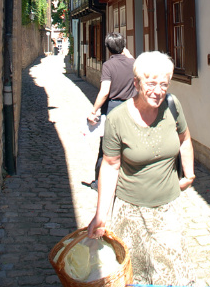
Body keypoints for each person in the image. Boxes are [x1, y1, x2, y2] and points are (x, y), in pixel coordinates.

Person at [87, 51, 198, 286]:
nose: (158, 91)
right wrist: (101, 215)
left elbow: (185, 139)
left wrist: (189, 174)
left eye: (164, 84)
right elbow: (110, 165)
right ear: (136, 84)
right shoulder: (118, 118)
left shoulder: (172, 106)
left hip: (168, 211)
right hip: (131, 213)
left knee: (172, 276)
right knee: (135, 277)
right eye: (151, 84)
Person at [87, 32, 136, 187]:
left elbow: (104, 91)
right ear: (124, 46)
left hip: (112, 109)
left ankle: (99, 182)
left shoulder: (108, 65)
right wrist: (128, 55)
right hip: (131, 108)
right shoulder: (133, 63)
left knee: (106, 147)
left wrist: (94, 110)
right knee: (128, 144)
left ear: (108, 48)